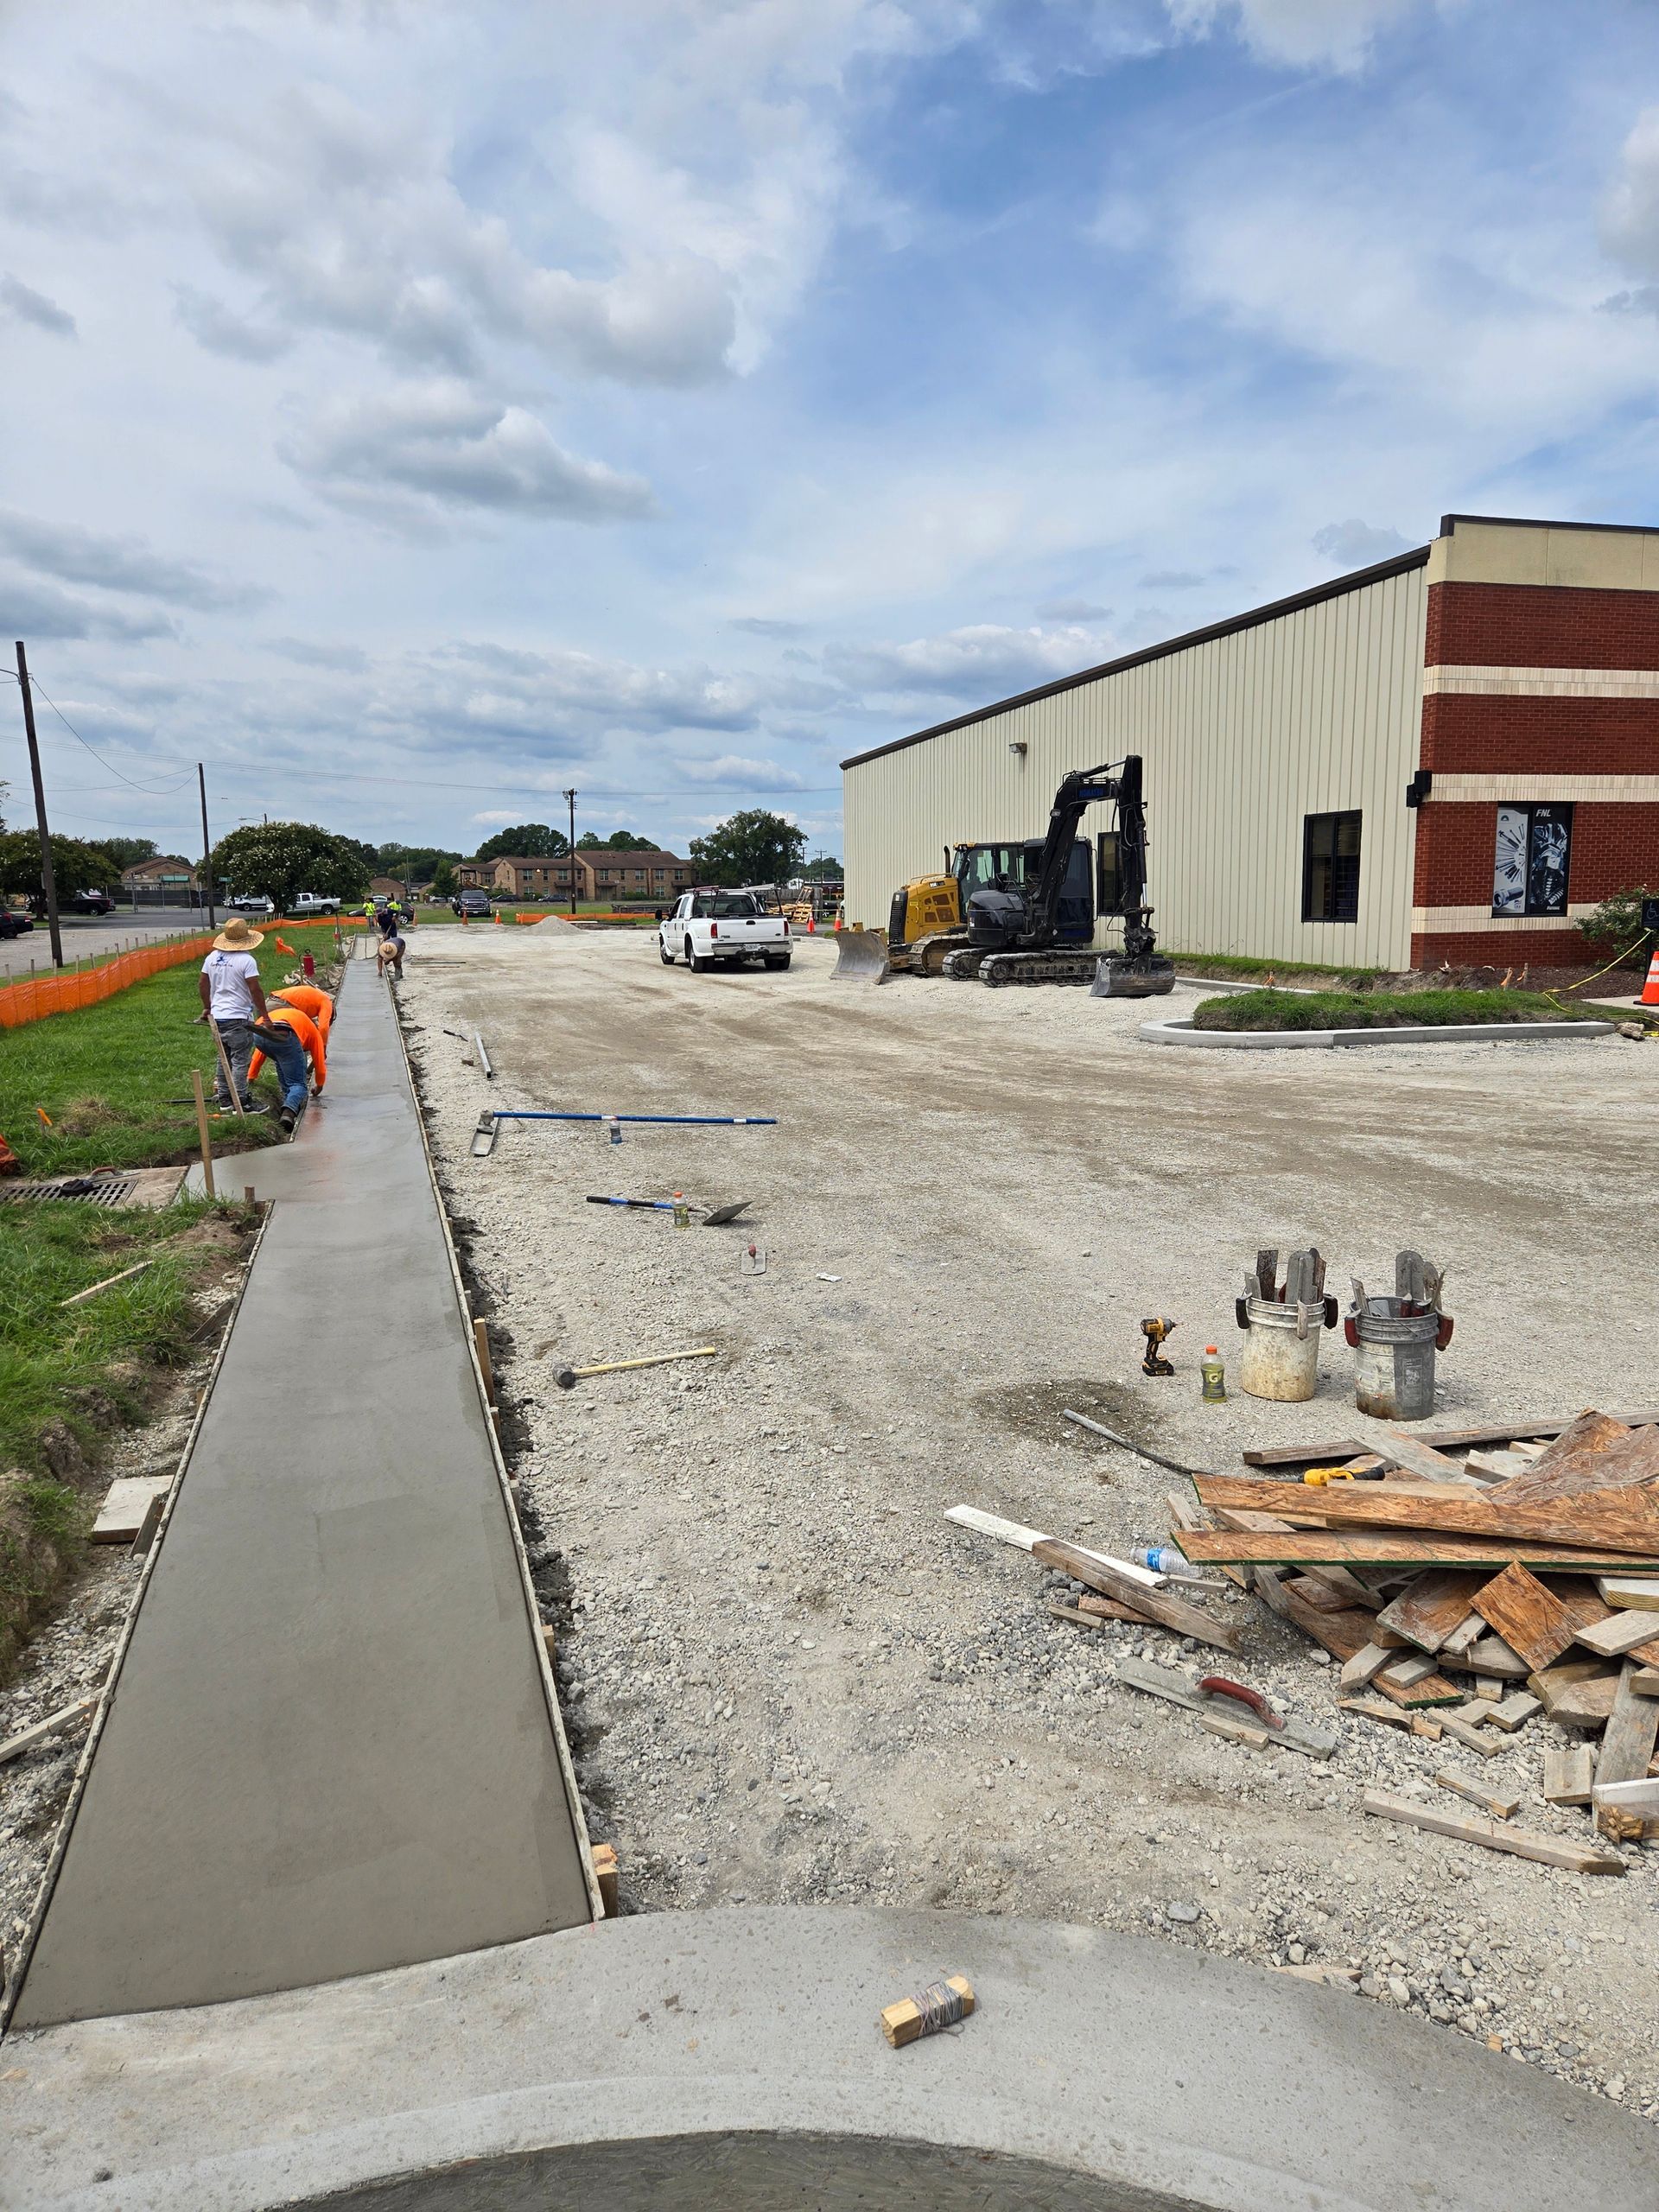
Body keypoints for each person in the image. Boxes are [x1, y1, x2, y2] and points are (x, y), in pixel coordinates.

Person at [196, 917, 309, 1132]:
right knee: (240, 1060)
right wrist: (265, 1016)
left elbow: (203, 982)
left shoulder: (212, 957)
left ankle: (224, 1099)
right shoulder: (245, 960)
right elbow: (255, 990)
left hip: (219, 1017)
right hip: (238, 1016)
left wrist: (208, 1007)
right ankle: (242, 1101)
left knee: (223, 1058)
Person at [246, 1000, 327, 1093]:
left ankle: (287, 1095)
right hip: (285, 1033)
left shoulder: (299, 1020)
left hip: (259, 1031)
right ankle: (291, 1104)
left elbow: (259, 1053)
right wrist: (319, 1087)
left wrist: (251, 1076)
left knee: (279, 1057)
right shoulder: (315, 1035)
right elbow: (319, 1063)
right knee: (298, 1084)